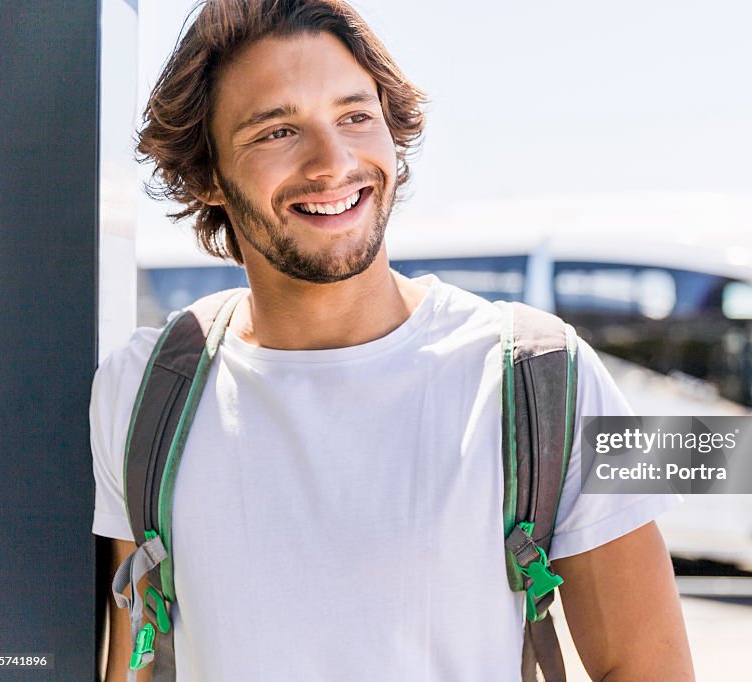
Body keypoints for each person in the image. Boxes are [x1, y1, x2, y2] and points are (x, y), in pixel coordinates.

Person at [91, 1, 695, 679]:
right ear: (207, 173)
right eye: (277, 131)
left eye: (354, 116)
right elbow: (135, 664)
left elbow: (647, 667)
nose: (334, 161)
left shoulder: (544, 377)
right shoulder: (145, 391)